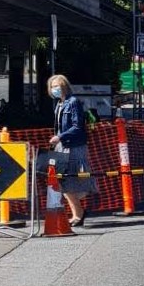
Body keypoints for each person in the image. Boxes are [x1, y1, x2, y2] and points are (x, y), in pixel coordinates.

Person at [47, 73, 94, 227]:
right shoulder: (59, 104)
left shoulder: (72, 102)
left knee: (68, 181)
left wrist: (59, 137)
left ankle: (77, 214)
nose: (55, 89)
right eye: (52, 87)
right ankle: (78, 213)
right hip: (61, 145)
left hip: (72, 146)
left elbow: (77, 126)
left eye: (57, 86)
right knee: (62, 181)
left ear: (65, 87)